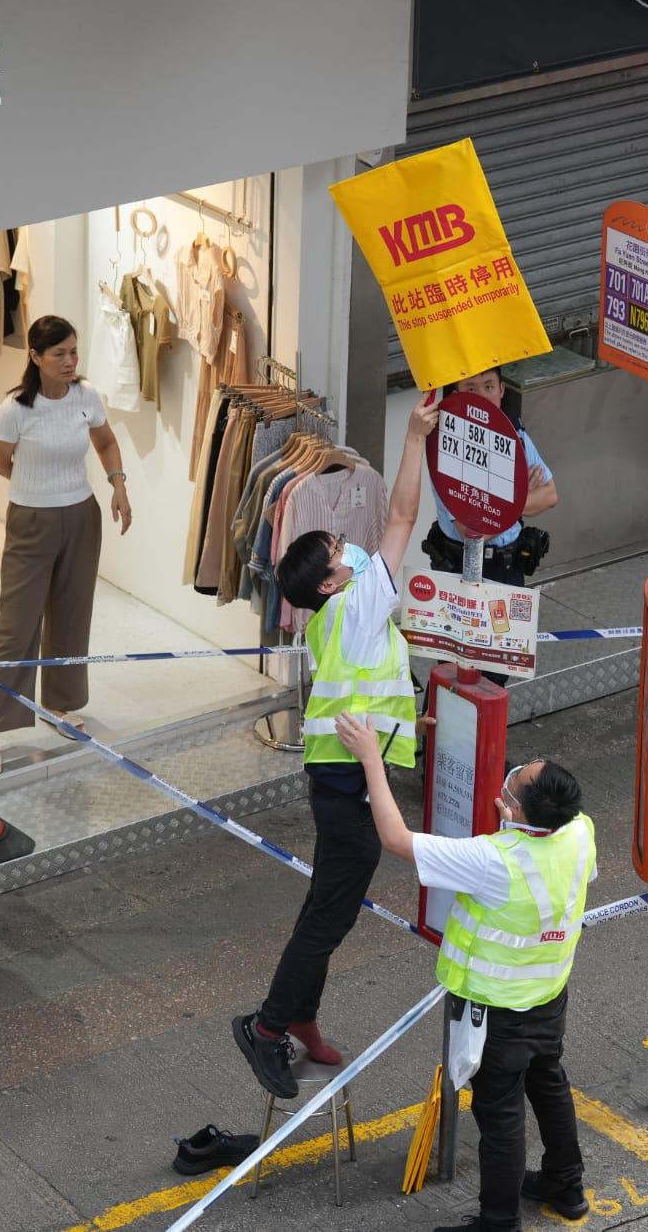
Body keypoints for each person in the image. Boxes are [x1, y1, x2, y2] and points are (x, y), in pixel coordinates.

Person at [232, 389, 444, 1099]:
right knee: (329, 914)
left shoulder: (329, 614)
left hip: (340, 777)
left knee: (329, 907)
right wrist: (414, 437)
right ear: (331, 579)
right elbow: (405, 515)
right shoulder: (359, 601)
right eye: (337, 549)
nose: (350, 545)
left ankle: (302, 1020)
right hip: (350, 783)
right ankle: (265, 1027)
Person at [336, 713, 596, 1232]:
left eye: (518, 775)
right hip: (548, 994)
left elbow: (395, 837)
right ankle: (565, 1186)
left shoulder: (493, 859)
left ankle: (498, 1222)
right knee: (549, 1083)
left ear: (514, 808)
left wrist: (370, 756)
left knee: (499, 1115)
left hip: (496, 1009)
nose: (515, 768)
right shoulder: (580, 832)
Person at [0, 316, 132, 777]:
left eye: (74, 352)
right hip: (30, 519)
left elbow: (105, 442)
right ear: (35, 357)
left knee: (72, 612)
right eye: (59, 354)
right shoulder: (15, 409)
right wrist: (34, 490)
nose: (70, 362)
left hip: (81, 516)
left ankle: (60, 706)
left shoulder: (86, 397)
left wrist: (118, 485)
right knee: (18, 621)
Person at [423, 366, 557, 590]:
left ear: (502, 390)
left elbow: (550, 495)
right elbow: (471, 533)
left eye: (489, 387)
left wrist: (499, 509)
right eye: (471, 388)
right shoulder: (446, 445)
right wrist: (517, 499)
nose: (483, 396)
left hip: (509, 567)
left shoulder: (516, 435)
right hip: (461, 570)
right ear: (457, 395)